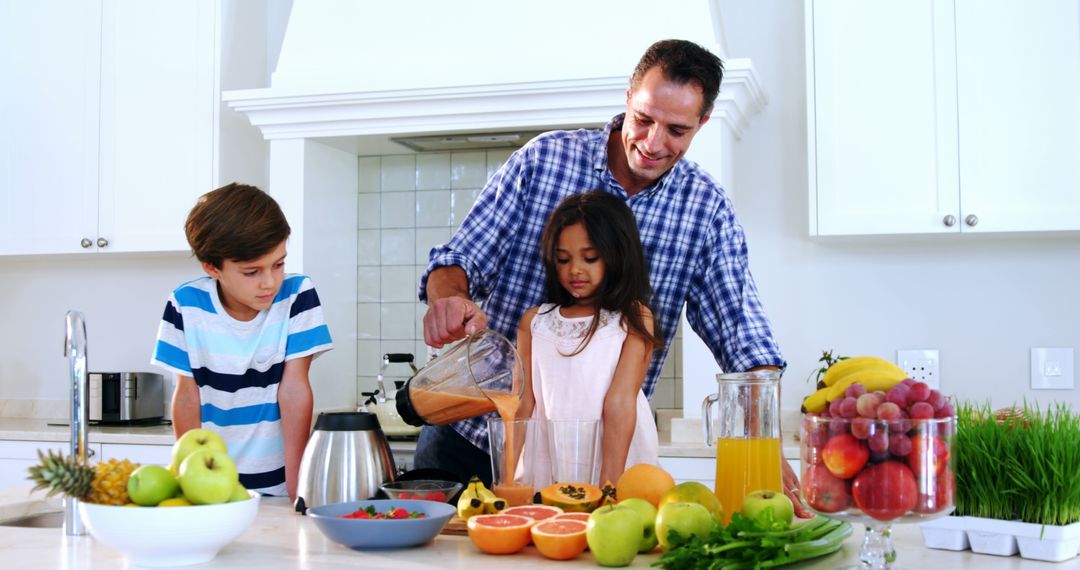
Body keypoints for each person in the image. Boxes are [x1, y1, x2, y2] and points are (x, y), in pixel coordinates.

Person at [416, 39, 808, 515]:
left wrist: (761, 444)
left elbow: (744, 341)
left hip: (598, 465)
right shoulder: (543, 161)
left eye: (678, 130)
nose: (654, 141)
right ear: (627, 97)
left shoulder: (705, 210)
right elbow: (457, 262)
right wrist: (448, 299)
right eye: (644, 119)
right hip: (473, 436)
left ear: (703, 124)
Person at [151, 183, 333, 500]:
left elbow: (293, 390)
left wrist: (298, 490)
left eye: (278, 264)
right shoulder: (185, 304)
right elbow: (187, 395)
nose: (270, 282)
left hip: (278, 486)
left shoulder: (297, 295)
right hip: (211, 488)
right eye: (252, 271)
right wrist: (189, 478)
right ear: (212, 268)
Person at [517, 191, 663, 486]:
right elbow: (522, 405)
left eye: (590, 258)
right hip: (549, 465)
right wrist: (507, 478)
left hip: (616, 464)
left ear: (617, 255)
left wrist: (610, 485)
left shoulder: (632, 318)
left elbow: (620, 401)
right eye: (563, 259)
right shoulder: (535, 322)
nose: (575, 270)